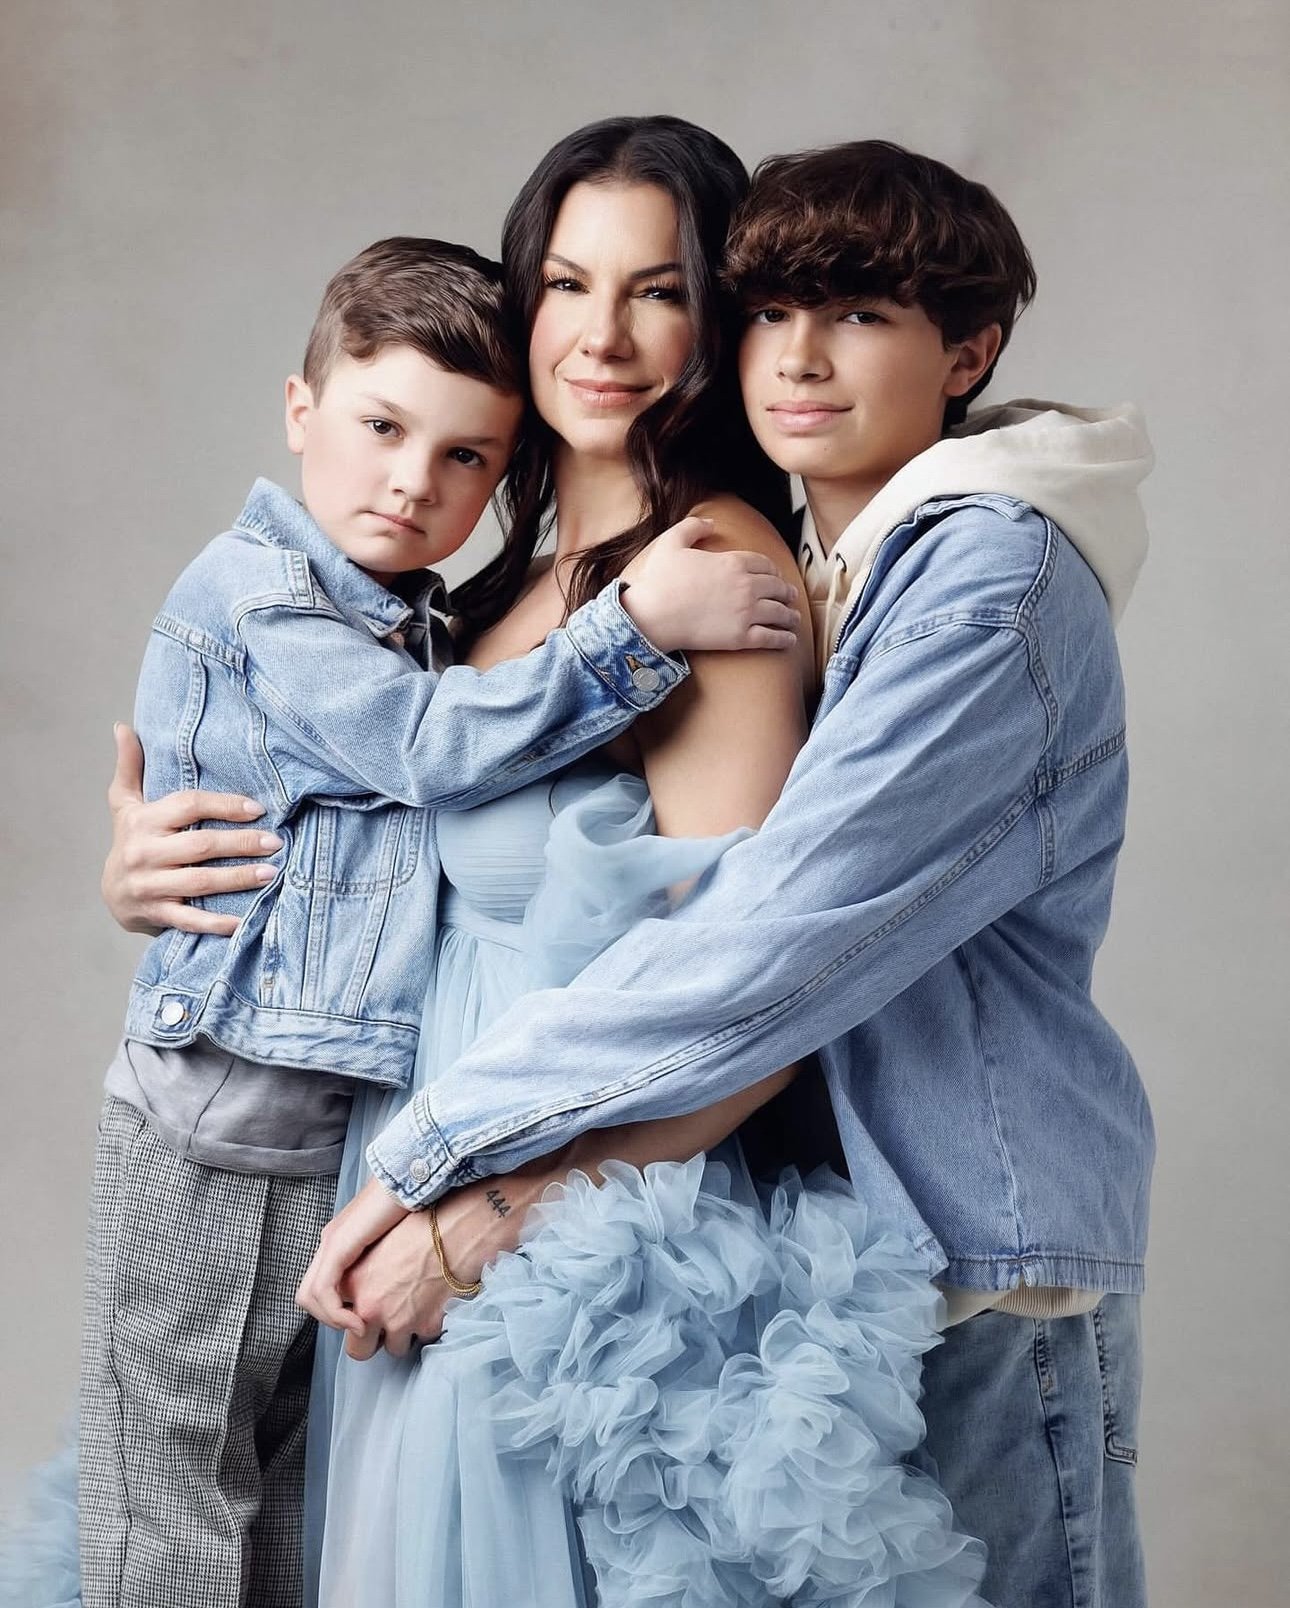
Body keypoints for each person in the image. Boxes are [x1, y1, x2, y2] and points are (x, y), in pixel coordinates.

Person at [101, 122, 993, 1608]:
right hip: (389, 1158)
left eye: (657, 289)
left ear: (718, 313)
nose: (600, 335)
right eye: (566, 282)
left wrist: (486, 1228)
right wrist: (164, 872)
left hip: (548, 1230)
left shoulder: (714, 572)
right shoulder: (475, 599)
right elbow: (371, 808)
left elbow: (750, 987)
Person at [300, 141, 1156, 1608]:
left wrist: (468, 1183)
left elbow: (767, 943)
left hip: (957, 1245)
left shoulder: (965, 577)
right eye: (770, 311)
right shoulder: (819, 561)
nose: (797, 358)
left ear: (968, 355)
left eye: (664, 290)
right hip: (706, 1208)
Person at [4, 233, 801, 1608]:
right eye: (380, 428)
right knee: (176, 1473)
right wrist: (637, 626)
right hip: (228, 1107)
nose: (411, 482)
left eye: (461, 461)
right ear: (301, 412)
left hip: (371, 1127)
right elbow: (418, 754)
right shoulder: (285, 598)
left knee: (280, 1500)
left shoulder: (433, 612)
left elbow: (739, 967)